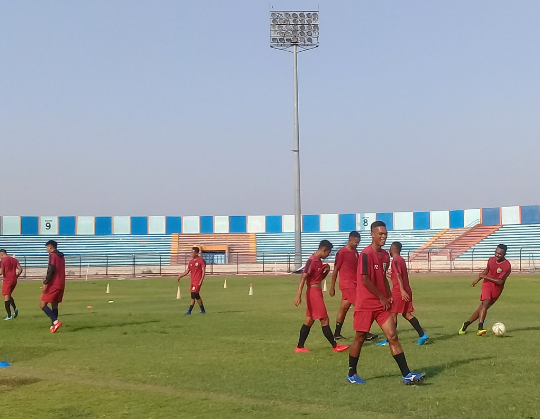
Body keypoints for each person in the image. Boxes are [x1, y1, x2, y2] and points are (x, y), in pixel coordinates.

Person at [347, 221, 425, 385]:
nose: (383, 237)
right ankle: (352, 373)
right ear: (372, 234)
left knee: (392, 336)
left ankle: (407, 374)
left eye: (385, 234)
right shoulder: (366, 254)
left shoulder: (384, 256)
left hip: (381, 305)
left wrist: (388, 294)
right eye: (380, 234)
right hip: (366, 303)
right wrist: (381, 297)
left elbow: (382, 276)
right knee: (359, 338)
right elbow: (364, 279)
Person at [294, 240, 349, 353]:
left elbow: (317, 280)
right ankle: (335, 346)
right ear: (324, 249)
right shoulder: (311, 261)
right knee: (324, 319)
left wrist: (325, 272)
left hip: (316, 291)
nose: (328, 255)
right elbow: (303, 278)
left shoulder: (318, 261)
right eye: (328, 253)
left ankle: (300, 347)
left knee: (309, 320)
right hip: (313, 293)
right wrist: (298, 294)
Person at [376, 242, 428, 346]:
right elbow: (397, 276)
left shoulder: (395, 260)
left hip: (399, 291)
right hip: (406, 289)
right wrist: (387, 275)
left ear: (392, 249)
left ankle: (389, 340)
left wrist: (401, 290)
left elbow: (399, 276)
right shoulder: (401, 259)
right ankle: (422, 335)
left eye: (390, 248)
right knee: (406, 314)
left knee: (392, 314)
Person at [329, 231, 378, 341]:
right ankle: (364, 332)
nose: (357, 244)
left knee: (344, 308)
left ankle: (336, 333)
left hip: (355, 283)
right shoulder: (342, 252)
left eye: (358, 242)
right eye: (356, 242)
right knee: (361, 306)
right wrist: (332, 286)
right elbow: (336, 269)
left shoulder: (356, 252)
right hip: (347, 285)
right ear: (350, 239)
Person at [459, 244, 511, 336]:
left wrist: (484, 276)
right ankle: (480, 327)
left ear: (504, 254)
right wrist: (477, 280)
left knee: (482, 308)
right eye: (496, 252)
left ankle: (466, 324)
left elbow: (500, 281)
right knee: (486, 302)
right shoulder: (491, 260)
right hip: (487, 284)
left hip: (497, 289)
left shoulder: (507, 266)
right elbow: (487, 270)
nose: (497, 255)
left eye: (499, 254)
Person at [40, 240, 65, 333]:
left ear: (51, 247)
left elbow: (51, 269)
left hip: (54, 283)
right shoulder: (61, 256)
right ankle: (53, 326)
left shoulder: (52, 255)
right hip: (61, 283)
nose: (46, 249)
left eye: (47, 247)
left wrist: (46, 283)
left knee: (42, 304)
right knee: (54, 304)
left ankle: (55, 322)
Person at [177, 247, 207, 315]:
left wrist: (201, 280)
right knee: (196, 295)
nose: (191, 254)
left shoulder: (201, 260)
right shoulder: (191, 262)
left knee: (193, 295)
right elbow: (187, 271)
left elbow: (203, 271)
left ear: (196, 253)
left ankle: (189, 311)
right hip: (192, 281)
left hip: (197, 281)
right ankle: (203, 310)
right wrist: (180, 276)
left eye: (192, 252)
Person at [0, 249, 23, 320]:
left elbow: (1, 272)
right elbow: (20, 269)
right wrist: (17, 276)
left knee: (6, 297)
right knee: (9, 295)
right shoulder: (14, 259)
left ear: (1, 254)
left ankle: (9, 316)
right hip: (14, 280)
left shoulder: (3, 261)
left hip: (7, 280)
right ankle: (15, 308)